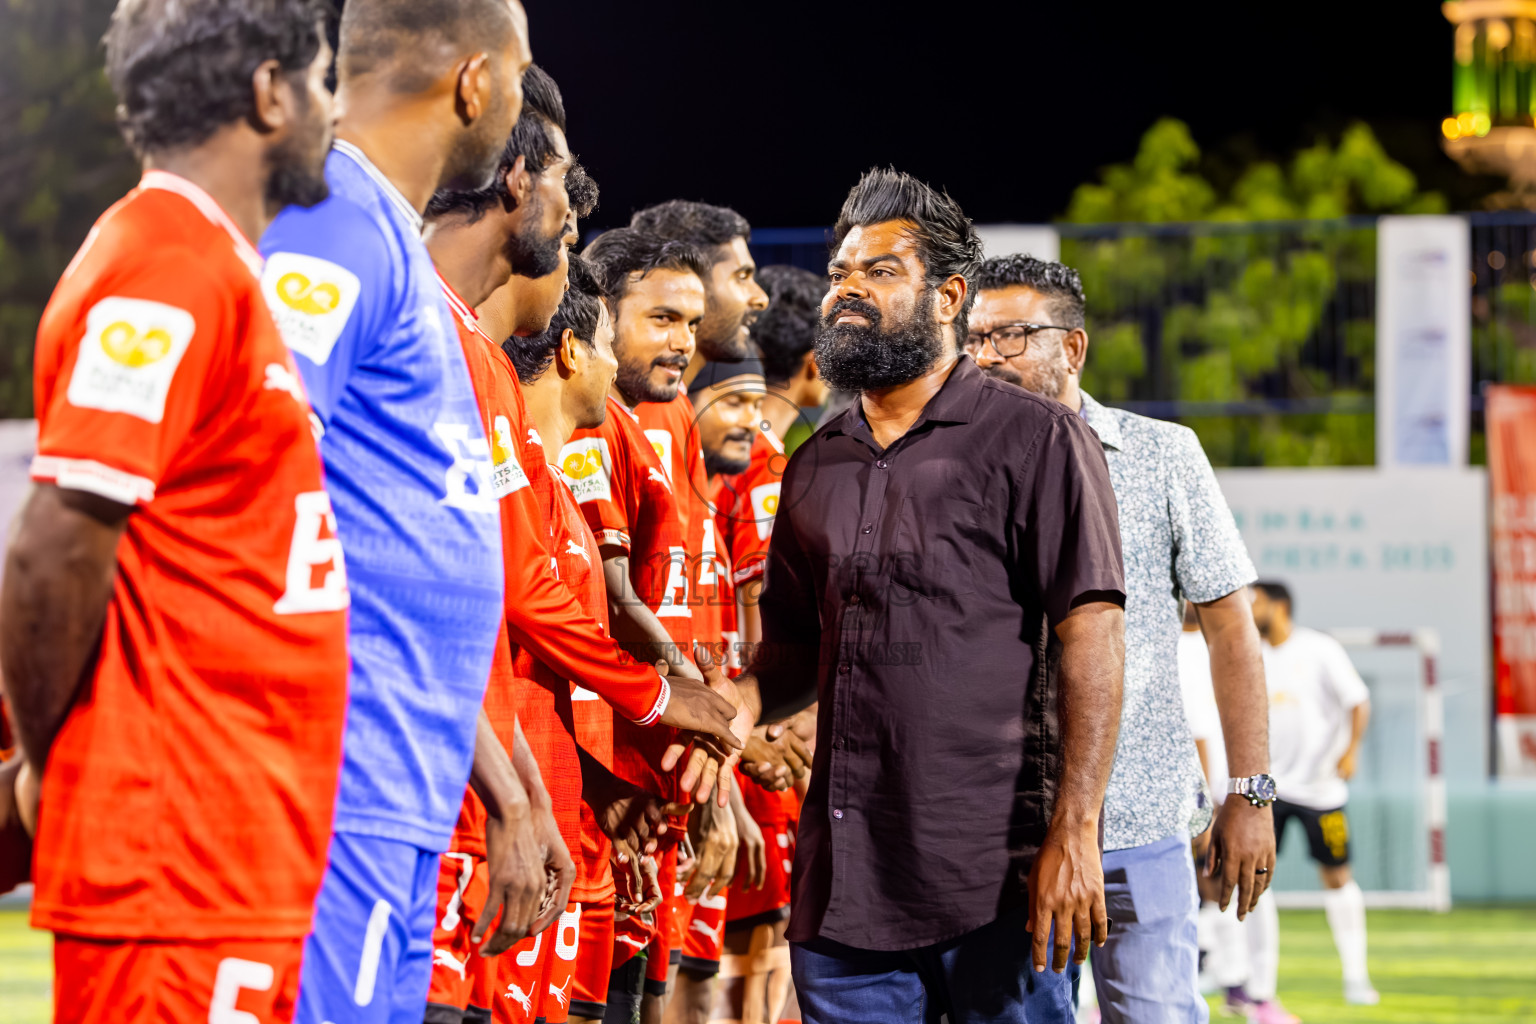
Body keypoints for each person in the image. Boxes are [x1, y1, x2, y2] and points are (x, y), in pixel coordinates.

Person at [0, 2, 348, 1019]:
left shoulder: (209, 263)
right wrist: (50, 754)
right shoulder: (166, 258)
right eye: (321, 80)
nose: (331, 107)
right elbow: (57, 541)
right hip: (174, 866)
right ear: (268, 90)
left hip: (224, 861)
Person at [724, 168, 1128, 1023]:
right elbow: (793, 651)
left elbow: (1093, 634)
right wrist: (729, 709)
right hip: (845, 892)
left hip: (998, 887)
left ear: (948, 296)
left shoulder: (1040, 440)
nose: (848, 293)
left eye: (879, 273)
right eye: (841, 274)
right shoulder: (816, 461)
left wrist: (1076, 832)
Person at [258, 2, 543, 1018]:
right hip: (343, 788)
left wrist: (504, 785)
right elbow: (257, 462)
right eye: (517, 76)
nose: (515, 104)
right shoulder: (334, 215)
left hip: (400, 788)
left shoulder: (380, 232)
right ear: (475, 81)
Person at [967, 254, 1275, 1024]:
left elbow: (1231, 626)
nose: (985, 357)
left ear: (1071, 349)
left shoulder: (1163, 454)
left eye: (1010, 336)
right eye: (972, 339)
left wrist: (1251, 789)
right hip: (999, 832)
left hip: (1139, 823)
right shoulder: (952, 464)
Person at [558, 229, 732, 1024]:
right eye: (661, 318)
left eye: (692, 325)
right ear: (602, 312)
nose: (682, 343)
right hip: (605, 764)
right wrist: (701, 706)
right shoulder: (592, 424)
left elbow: (688, 597)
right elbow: (606, 598)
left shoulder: (665, 422)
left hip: (655, 765)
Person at [1251, 581, 1378, 1008]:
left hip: (1321, 790)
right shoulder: (1251, 654)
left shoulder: (1319, 648)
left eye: (1257, 602)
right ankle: (1256, 985)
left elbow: (1358, 701)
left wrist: (1350, 750)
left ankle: (1356, 977)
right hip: (1269, 789)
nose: (1249, 609)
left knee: (1338, 878)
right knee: (1254, 879)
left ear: (1280, 606)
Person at [629, 200, 769, 369]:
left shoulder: (671, 394)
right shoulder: (616, 395)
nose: (762, 298)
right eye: (742, 276)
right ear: (690, 280)